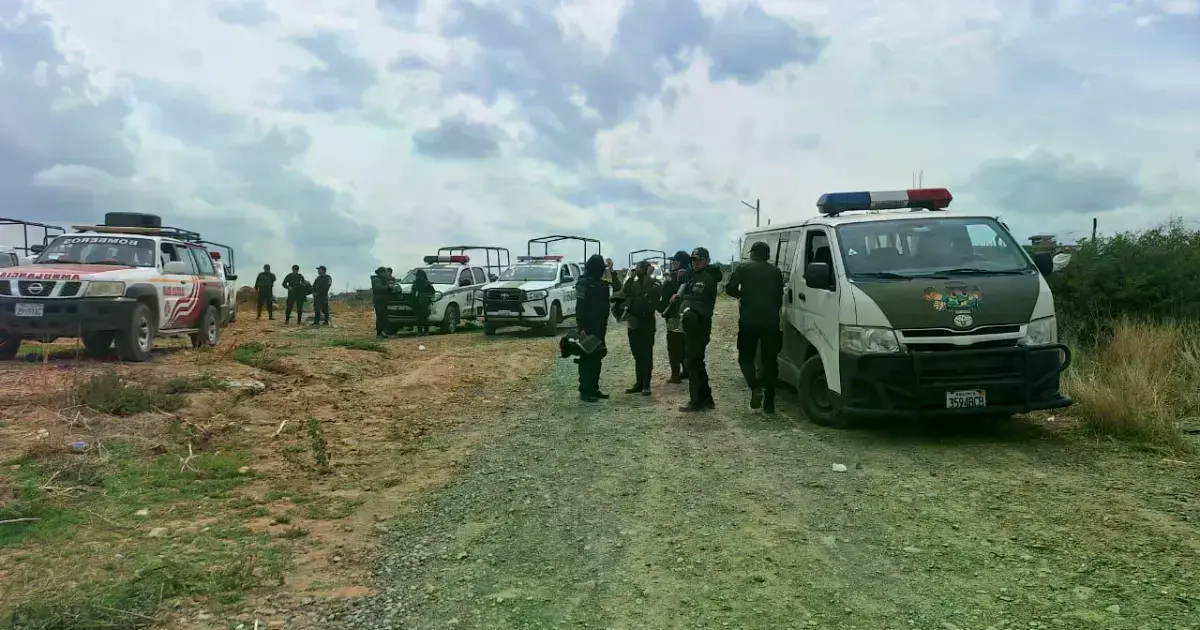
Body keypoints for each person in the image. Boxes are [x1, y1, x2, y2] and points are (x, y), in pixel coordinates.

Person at [725, 241, 785, 413]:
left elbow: (729, 289)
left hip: (749, 320)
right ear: (767, 255)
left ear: (752, 254)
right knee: (770, 362)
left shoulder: (743, 268)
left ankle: (755, 389)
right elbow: (779, 296)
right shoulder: (776, 272)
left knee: (745, 358)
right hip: (771, 321)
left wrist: (743, 294)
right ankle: (770, 403)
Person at [676, 246, 722, 412]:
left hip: (699, 325)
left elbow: (697, 297)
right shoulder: (697, 276)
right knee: (697, 362)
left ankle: (696, 401)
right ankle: (706, 398)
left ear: (707, 261)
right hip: (695, 324)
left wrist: (681, 297)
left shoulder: (705, 279)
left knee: (693, 363)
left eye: (699, 260)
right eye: (693, 260)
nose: (695, 263)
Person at [620, 260, 661, 395]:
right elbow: (623, 294)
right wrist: (630, 279)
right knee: (637, 353)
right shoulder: (634, 283)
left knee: (646, 354)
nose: (639, 271)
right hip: (633, 323)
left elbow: (647, 297)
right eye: (638, 268)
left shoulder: (654, 284)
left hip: (646, 324)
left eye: (642, 269)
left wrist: (648, 277)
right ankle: (639, 383)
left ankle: (646, 384)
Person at [576, 254, 612, 402]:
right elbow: (580, 307)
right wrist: (581, 328)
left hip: (599, 327)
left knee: (597, 357)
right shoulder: (583, 283)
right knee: (587, 359)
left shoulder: (601, 283)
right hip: (588, 328)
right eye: (600, 269)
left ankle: (594, 388)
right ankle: (585, 391)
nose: (602, 271)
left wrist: (611, 269)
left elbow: (616, 287)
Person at [658, 250, 691, 383]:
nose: (672, 263)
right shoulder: (692, 277)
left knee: (673, 345)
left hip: (673, 316)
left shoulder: (672, 277)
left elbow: (664, 295)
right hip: (687, 316)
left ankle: (675, 375)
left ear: (681, 262)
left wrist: (660, 308)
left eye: (675, 261)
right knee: (684, 344)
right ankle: (686, 371)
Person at [370, 267, 394, 338]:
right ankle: (379, 333)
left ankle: (383, 332)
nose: (386, 274)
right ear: (381, 273)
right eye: (385, 272)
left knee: (384, 317)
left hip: (384, 300)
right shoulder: (376, 280)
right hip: (379, 301)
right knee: (380, 317)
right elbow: (378, 288)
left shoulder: (383, 279)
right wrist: (388, 286)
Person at [411, 269, 436, 335]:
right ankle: (419, 331)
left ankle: (426, 331)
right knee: (418, 317)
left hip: (425, 302)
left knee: (425, 317)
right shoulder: (415, 283)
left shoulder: (427, 283)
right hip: (416, 302)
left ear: (421, 276)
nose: (416, 277)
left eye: (418, 276)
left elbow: (432, 292)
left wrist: (425, 297)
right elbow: (413, 292)